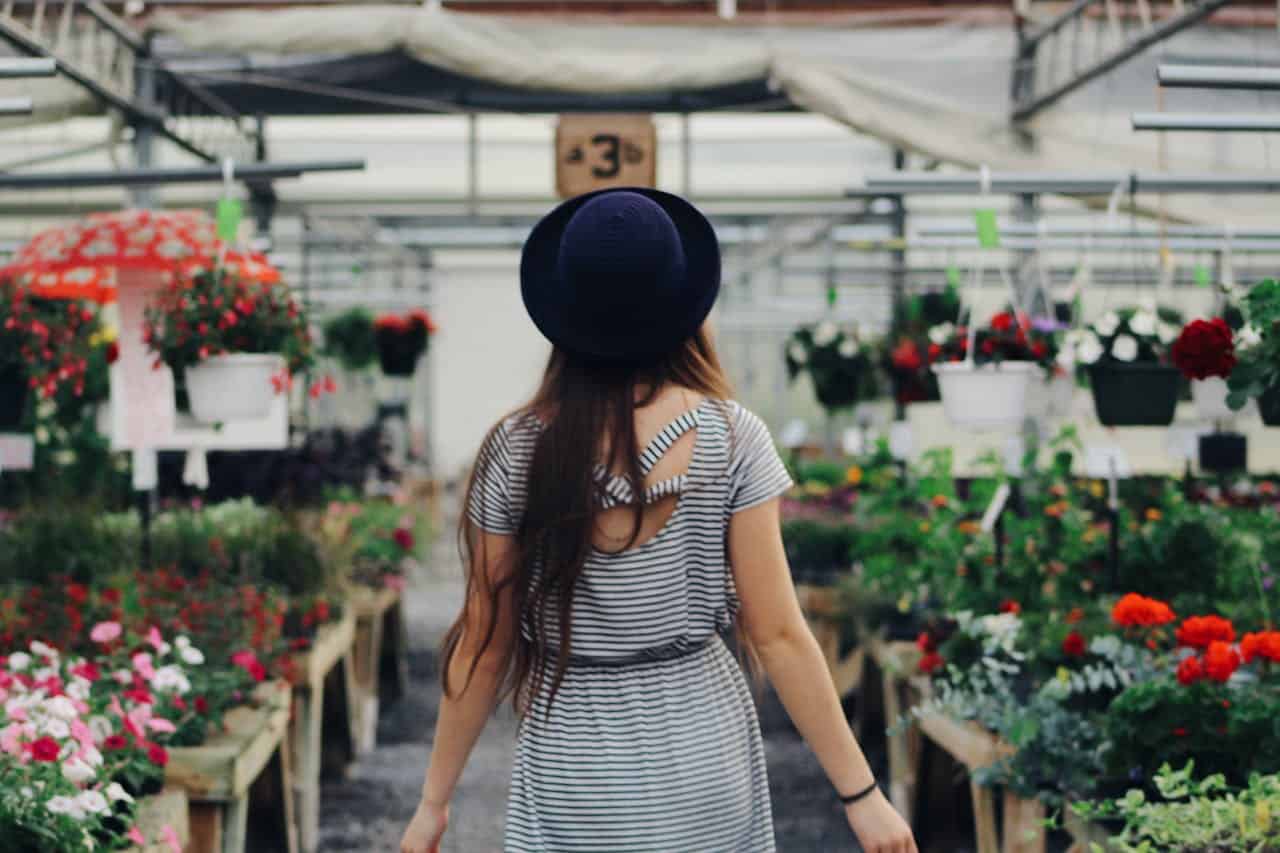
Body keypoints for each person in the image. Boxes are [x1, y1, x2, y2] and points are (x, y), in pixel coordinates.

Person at [399, 188, 917, 853]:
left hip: (571, 763)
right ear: (682, 307)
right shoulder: (732, 439)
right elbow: (780, 633)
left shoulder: (516, 449)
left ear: (565, 309)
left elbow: (483, 641)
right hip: (704, 756)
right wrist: (862, 795)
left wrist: (433, 803)